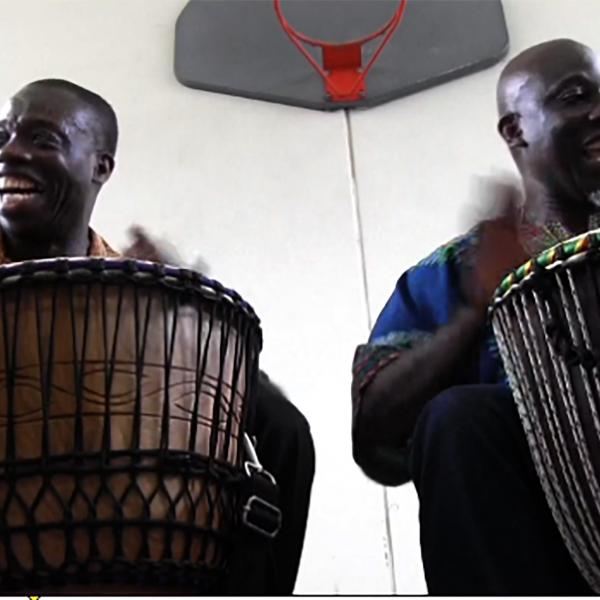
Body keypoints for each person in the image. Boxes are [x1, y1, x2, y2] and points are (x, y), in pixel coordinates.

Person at [0, 78, 314, 594]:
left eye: (42, 140)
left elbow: (265, 425)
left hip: (117, 539)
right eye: (4, 136)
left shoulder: (134, 290)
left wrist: (188, 323)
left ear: (100, 166)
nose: (11, 153)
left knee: (280, 427)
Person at [351, 38, 600, 595]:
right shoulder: (447, 273)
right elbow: (374, 434)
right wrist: (476, 310)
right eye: (576, 96)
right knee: (459, 417)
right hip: (541, 549)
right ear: (516, 130)